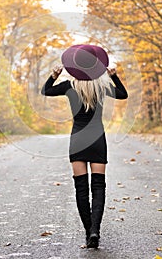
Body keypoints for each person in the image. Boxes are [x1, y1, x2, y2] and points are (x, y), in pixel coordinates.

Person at [41, 44, 128, 249]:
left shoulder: (69, 86)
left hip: (78, 140)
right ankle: (95, 230)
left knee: (81, 188)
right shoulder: (102, 87)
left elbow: (45, 90)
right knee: (98, 187)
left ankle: (89, 233)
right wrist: (114, 76)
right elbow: (123, 94)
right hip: (98, 139)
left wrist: (54, 75)